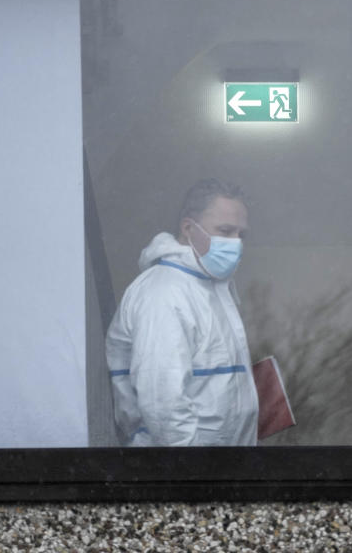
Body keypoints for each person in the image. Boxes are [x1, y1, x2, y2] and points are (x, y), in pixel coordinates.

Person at [105, 179, 259, 446]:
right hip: (189, 477)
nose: (235, 243)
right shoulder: (164, 293)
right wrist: (192, 475)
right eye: (225, 230)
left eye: (241, 234)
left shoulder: (210, 286)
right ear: (188, 228)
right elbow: (163, 404)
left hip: (224, 471)